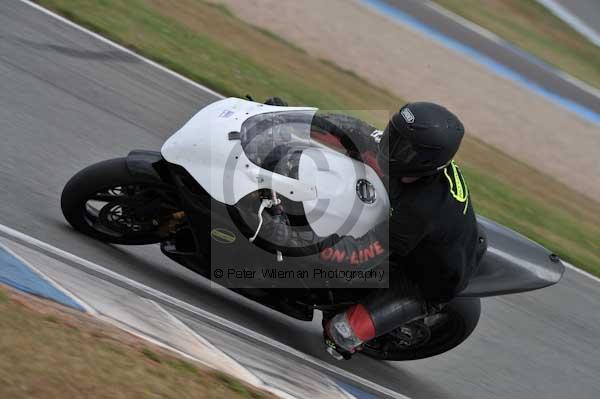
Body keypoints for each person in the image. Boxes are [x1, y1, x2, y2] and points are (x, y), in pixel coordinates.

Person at [264, 97, 484, 360]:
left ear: (426, 161)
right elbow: (352, 129)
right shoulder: (405, 160)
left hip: (425, 278)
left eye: (402, 147)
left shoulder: (420, 209)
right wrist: (287, 116)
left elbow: (358, 255)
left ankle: (356, 336)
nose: (389, 145)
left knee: (339, 334)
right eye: (393, 134)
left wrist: (293, 238)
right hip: (421, 233)